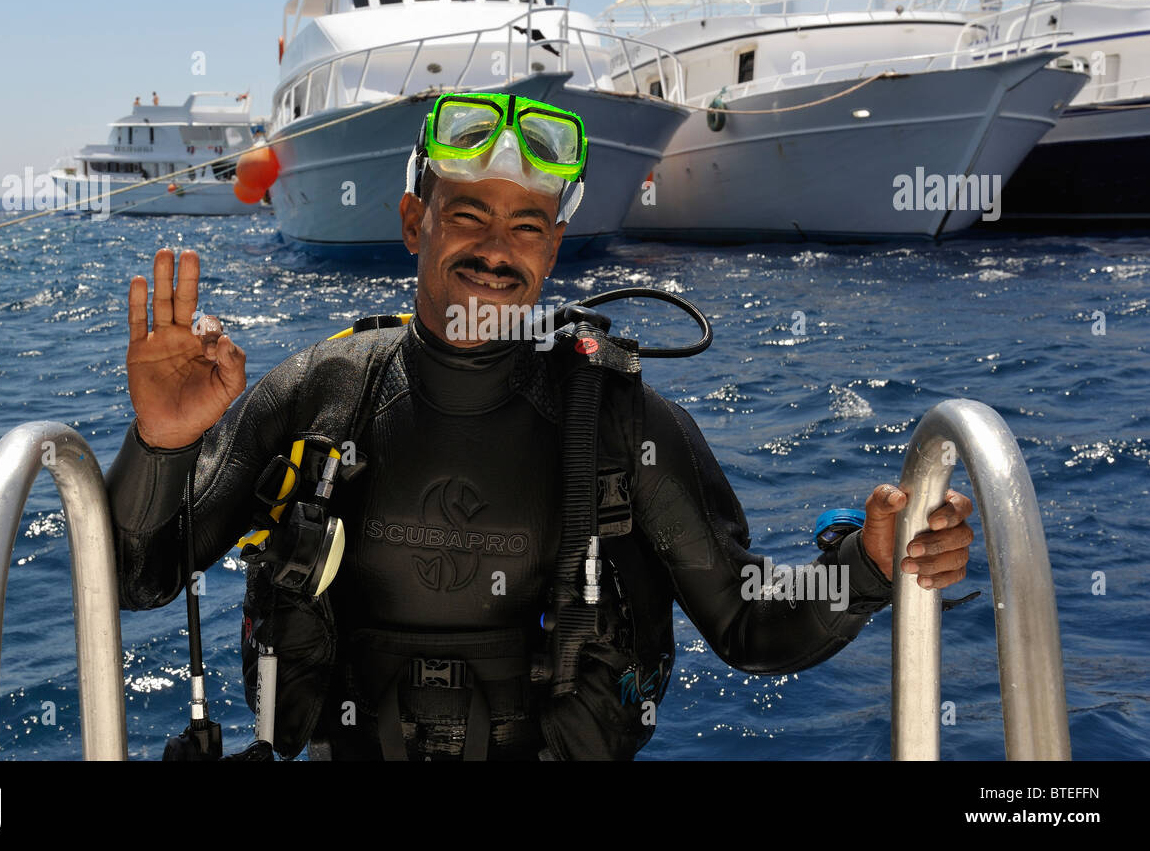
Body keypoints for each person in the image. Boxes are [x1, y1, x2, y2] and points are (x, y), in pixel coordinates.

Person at [106, 92, 975, 761]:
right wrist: (163, 443)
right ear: (415, 223)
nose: (496, 248)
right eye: (468, 214)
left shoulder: (620, 423)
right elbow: (139, 578)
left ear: (554, 248)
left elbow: (750, 623)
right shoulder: (321, 395)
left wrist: (866, 568)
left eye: (526, 225)